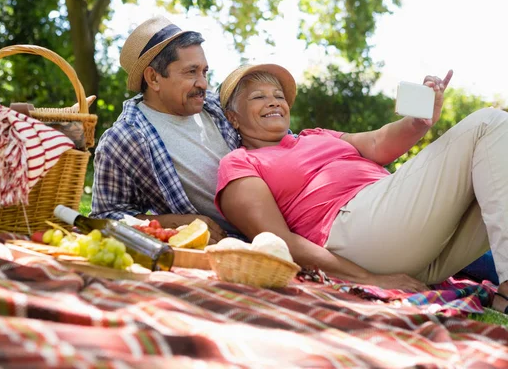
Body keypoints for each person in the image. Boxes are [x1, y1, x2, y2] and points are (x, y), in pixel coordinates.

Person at [215, 63, 508, 313]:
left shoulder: (315, 136)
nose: (274, 101)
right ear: (233, 117)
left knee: (494, 162)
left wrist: (419, 122)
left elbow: (379, 143)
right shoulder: (240, 162)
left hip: (414, 249)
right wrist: (371, 279)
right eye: (259, 97)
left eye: (279, 95)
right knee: (489, 122)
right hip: (355, 236)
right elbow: (278, 241)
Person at [91, 16, 242, 242]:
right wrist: (176, 223)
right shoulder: (125, 138)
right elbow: (104, 218)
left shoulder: (219, 106)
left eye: (204, 72)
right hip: (235, 245)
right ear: (153, 78)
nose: (203, 83)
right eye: (191, 72)